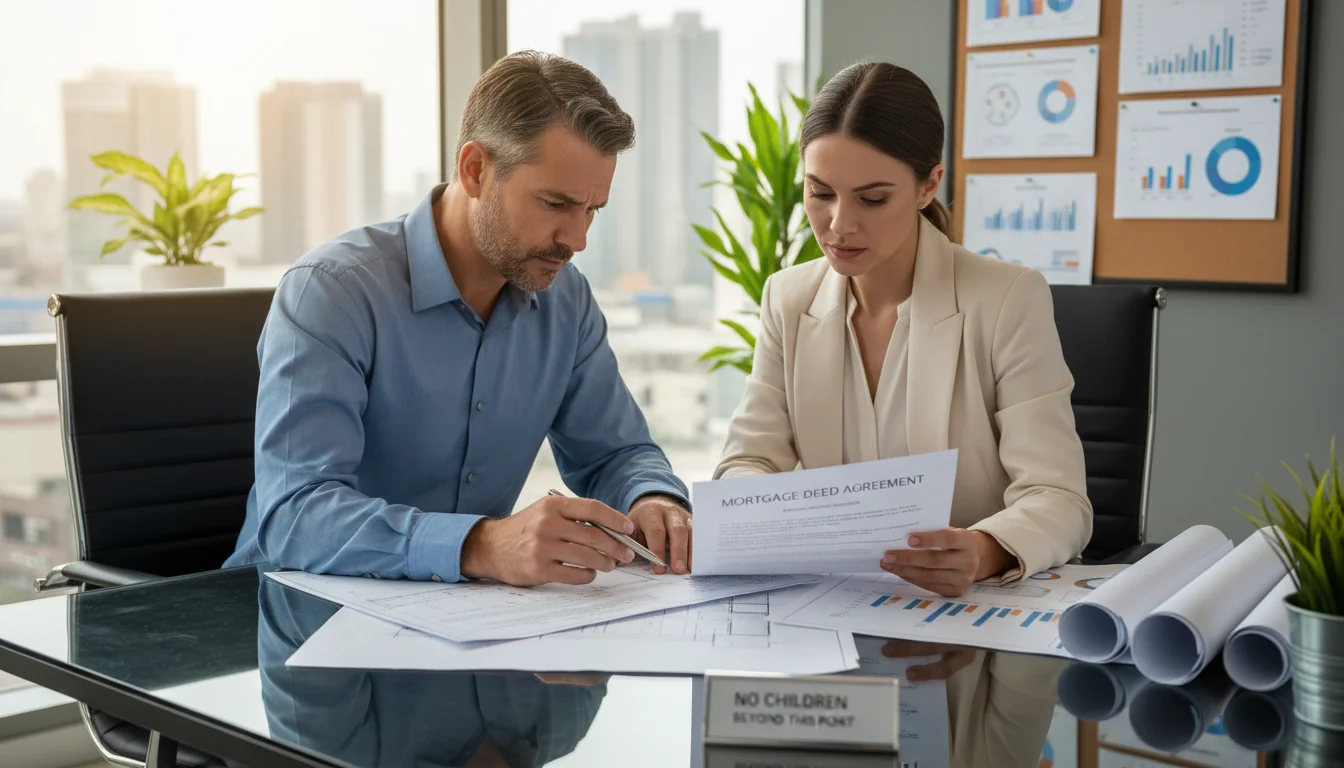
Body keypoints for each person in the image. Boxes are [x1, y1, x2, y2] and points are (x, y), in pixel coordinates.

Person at [225, 51, 693, 585]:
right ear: (475, 170)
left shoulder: (566, 300)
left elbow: (616, 452)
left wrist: (653, 497)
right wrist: (482, 544)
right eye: (555, 203)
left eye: (592, 210)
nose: (577, 240)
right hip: (290, 620)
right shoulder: (332, 293)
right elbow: (295, 516)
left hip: (464, 626)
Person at [714, 62, 1091, 596]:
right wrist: (765, 513)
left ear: (928, 185)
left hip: (962, 614)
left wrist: (985, 550)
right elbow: (748, 460)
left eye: (872, 199)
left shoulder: (1006, 298)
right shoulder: (788, 297)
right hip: (835, 607)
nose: (840, 224)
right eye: (820, 193)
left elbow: (1060, 498)